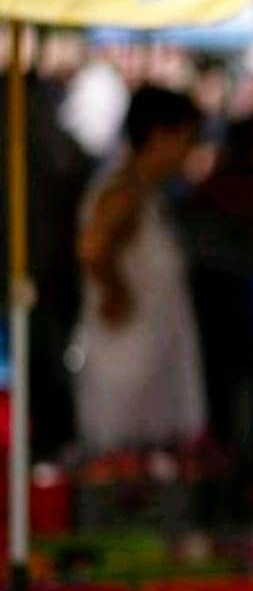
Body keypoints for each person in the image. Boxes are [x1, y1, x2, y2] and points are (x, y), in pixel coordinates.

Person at [69, 85, 208, 455]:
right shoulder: (121, 192)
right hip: (125, 379)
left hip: (145, 374)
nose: (189, 150)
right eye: (186, 138)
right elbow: (92, 247)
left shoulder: (147, 192)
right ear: (160, 136)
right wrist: (115, 293)